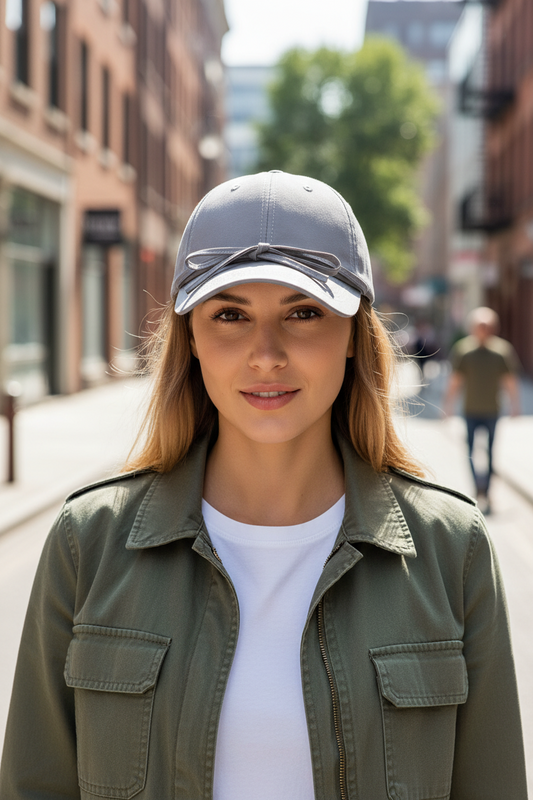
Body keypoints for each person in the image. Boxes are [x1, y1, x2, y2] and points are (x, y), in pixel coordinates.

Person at [0, 171, 527, 800]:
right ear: (191, 338)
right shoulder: (87, 544)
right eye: (230, 315)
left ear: (354, 338)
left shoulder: (452, 550)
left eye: (304, 313)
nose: (266, 354)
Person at [444, 306, 520, 513]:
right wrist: (448, 406)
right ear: (473, 328)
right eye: (480, 326)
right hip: (470, 410)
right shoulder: (463, 350)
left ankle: (487, 490)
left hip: (492, 411)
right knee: (470, 451)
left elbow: (510, 381)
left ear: (494, 328)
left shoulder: (502, 351)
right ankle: (477, 487)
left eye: (487, 326)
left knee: (490, 452)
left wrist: (515, 406)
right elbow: (455, 381)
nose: (483, 330)